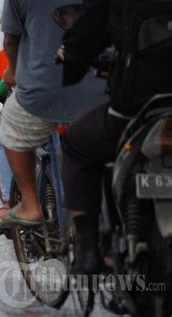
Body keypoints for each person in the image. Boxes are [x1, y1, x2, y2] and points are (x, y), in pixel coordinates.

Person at [58, 0, 172, 274]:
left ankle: (88, 250)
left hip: (136, 110)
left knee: (75, 144)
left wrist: (69, 59)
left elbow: (84, 38)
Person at [0, 0, 107, 235]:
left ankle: (26, 204)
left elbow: (10, 45)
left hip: (43, 95)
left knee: (3, 134)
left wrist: (15, 75)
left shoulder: (7, 50)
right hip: (106, 90)